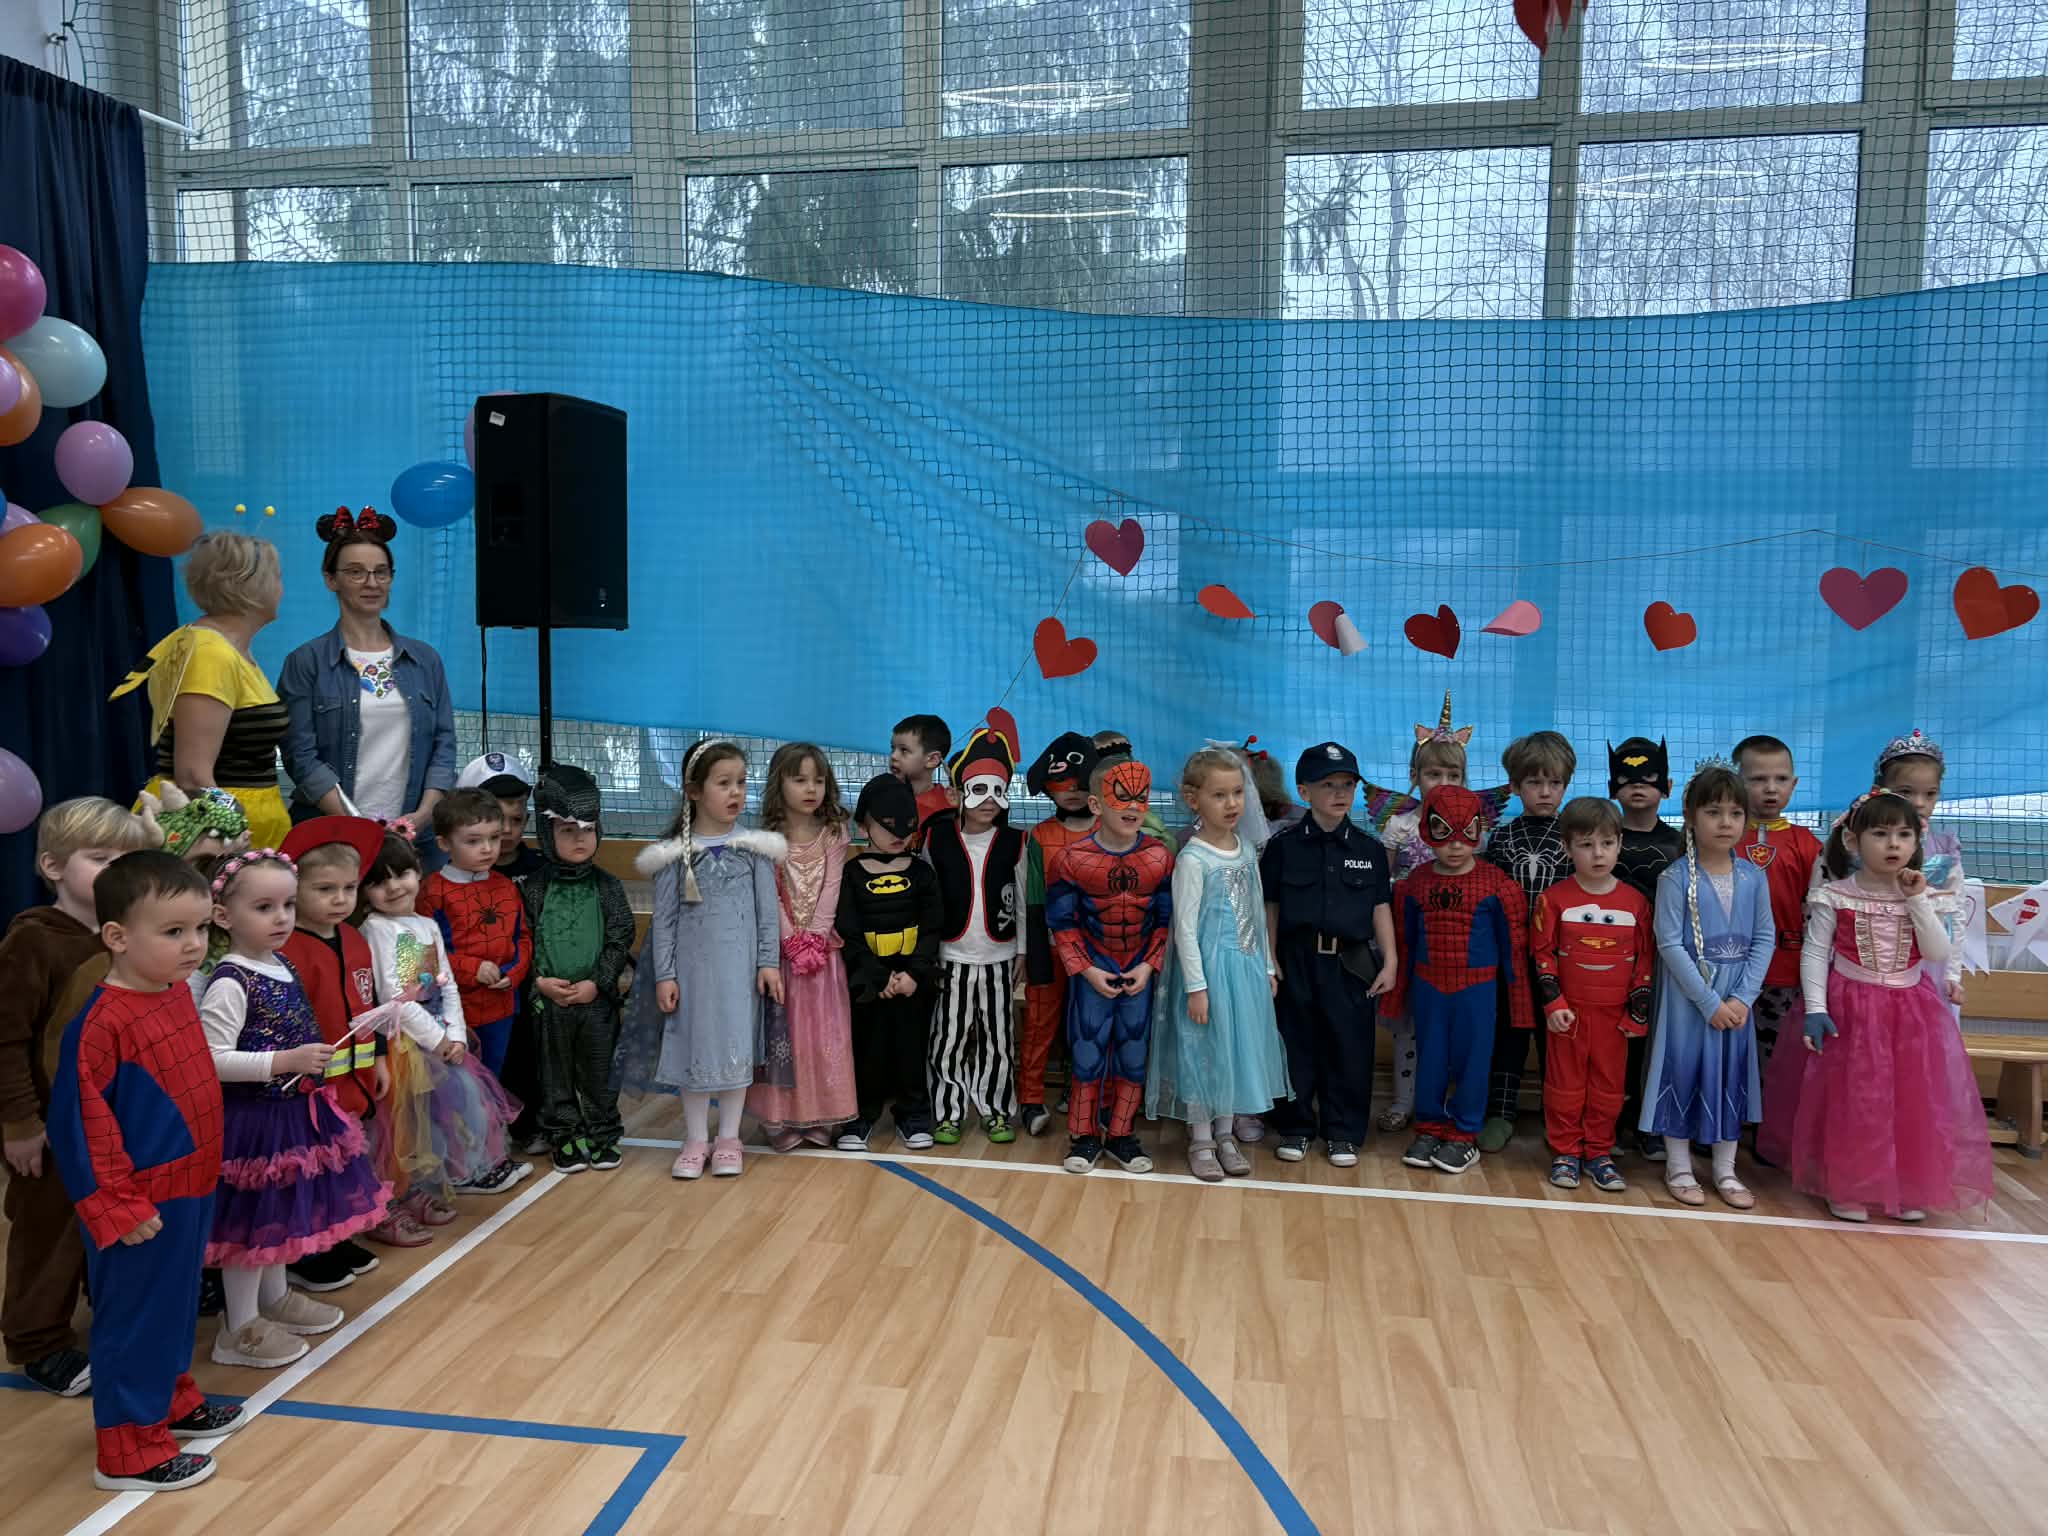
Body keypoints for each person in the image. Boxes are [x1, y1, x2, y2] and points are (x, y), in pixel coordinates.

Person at [47, 851, 246, 1491]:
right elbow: (82, 1129)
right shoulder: (101, 1025)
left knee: (175, 1307)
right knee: (134, 1320)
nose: (194, 945)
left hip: (189, 1188)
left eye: (200, 929)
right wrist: (117, 1206)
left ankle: (170, 1402)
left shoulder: (173, 993)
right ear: (117, 936)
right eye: (173, 932)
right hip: (141, 1205)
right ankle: (128, 1450)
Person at [197, 850, 391, 1368]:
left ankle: (274, 1297)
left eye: (286, 905)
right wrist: (284, 1061)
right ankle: (238, 1328)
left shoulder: (279, 963)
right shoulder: (231, 981)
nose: (281, 917)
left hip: (292, 1114)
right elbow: (211, 1059)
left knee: (278, 1216)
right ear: (223, 916)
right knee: (250, 1227)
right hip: (254, 1123)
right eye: (264, 907)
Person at [2, 799, 161, 1398]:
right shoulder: (33, 942)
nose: (116, 871)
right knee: (49, 1230)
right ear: (52, 866)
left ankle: (102, 1308)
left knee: (107, 1218)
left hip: (112, 1119)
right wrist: (20, 1124)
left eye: (126, 860)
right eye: (99, 859)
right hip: (48, 1124)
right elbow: (5, 1040)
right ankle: (37, 1340)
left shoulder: (125, 934)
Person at [1788, 790, 1993, 1223]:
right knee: (1856, 1099)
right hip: (1851, 1009)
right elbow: (1815, 952)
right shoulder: (1835, 895)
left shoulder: (1926, 895)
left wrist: (1916, 900)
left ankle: (1904, 1187)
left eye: (1903, 835)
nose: (1893, 844)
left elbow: (1936, 952)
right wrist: (1815, 1008)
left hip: (1910, 1011)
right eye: (1880, 834)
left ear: (1917, 842)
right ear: (1853, 841)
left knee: (1910, 1100)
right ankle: (1849, 1186)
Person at [619, 738, 785, 1181]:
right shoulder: (674, 854)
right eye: (723, 783)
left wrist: (768, 962)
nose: (736, 792)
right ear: (694, 791)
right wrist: (666, 974)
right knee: (691, 1051)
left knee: (736, 1050)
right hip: (692, 978)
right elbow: (665, 921)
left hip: (739, 977)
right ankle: (695, 1139)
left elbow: (768, 913)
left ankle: (728, 1138)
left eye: (741, 783)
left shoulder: (755, 849)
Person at [356, 832, 526, 1216]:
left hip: (439, 1039)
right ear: (364, 890)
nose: (394, 887)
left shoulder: (425, 925)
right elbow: (395, 998)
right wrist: (438, 1040)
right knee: (411, 1124)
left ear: (418, 871)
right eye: (379, 881)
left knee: (463, 1108)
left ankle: (456, 1176)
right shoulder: (377, 929)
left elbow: (445, 985)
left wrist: (456, 1034)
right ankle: (409, 1194)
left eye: (401, 874)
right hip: (406, 1045)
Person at [1148, 747, 1288, 1181]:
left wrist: (1267, 966)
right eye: (1219, 795)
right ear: (1194, 800)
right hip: (1209, 975)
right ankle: (1201, 1139)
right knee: (1203, 1055)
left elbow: (1256, 911)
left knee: (1234, 1054)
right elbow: (1185, 928)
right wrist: (1197, 987)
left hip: (1244, 971)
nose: (1232, 804)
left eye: (1238, 793)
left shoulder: (1245, 849)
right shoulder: (1193, 858)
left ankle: (1226, 1135)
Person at [1642, 760, 1775, 1211]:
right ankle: (1679, 1166)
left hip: (1736, 1000)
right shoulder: (1675, 878)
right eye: (1713, 812)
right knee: (1682, 1071)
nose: (1725, 822)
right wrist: (1709, 1001)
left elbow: (1765, 938)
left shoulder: (1753, 877)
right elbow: (1668, 943)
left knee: (1730, 1076)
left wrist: (1742, 998)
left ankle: (1725, 1169)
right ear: (1691, 815)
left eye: (1735, 813)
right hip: (1690, 1000)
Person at [277, 508, 456, 838]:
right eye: (355, 572)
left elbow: (444, 748)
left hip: (414, 837)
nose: (372, 583)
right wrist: (360, 827)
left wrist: (421, 817)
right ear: (331, 579)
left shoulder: (425, 660)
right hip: (332, 837)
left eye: (381, 572)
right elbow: (300, 757)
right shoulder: (305, 662)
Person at [1259, 742, 1396, 1167]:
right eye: (1328, 785)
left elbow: (1380, 907)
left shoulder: (1369, 850)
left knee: (1349, 1049)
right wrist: (1269, 958)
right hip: (1296, 960)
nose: (1340, 793)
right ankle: (1296, 1126)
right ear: (1304, 791)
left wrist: (1390, 961)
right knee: (1295, 1046)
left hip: (1349, 964)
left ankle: (1343, 1132)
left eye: (1347, 785)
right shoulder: (1283, 847)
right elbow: (1270, 907)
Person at [112, 531, 292, 850]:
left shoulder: (223, 647)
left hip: (239, 831)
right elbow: (193, 776)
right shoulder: (211, 653)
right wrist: (232, 835)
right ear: (250, 584)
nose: (282, 588)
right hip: (213, 837)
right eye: (277, 576)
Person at [1388, 785, 1533, 1175]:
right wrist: (1396, 997)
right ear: (1427, 831)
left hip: (1478, 991)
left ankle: (1465, 1132)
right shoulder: (1414, 884)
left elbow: (1514, 951)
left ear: (1478, 830)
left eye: (1465, 832)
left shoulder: (1498, 886)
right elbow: (1405, 942)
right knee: (1431, 1059)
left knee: (1474, 1062)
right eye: (1443, 832)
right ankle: (1429, 1126)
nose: (1455, 844)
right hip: (1429, 988)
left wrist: (1521, 1009)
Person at [275, 816, 389, 1289]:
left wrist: (378, 1057)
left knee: (344, 1165)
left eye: (349, 888)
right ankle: (306, 1251)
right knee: (312, 1168)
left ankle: (336, 1236)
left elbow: (369, 1004)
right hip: (310, 1092)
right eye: (325, 889)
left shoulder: (354, 938)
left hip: (354, 1084)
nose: (341, 899)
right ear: (294, 889)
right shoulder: (286, 950)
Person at [1047, 756, 1175, 1174]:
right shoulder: (1071, 858)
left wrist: (1149, 966)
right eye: (1122, 797)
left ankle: (1121, 1134)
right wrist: (1087, 970)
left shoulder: (1160, 856)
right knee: (1087, 1052)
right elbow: (1061, 922)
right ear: (1096, 804)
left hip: (1139, 967)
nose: (1133, 806)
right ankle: (1083, 1136)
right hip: (1093, 967)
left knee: (1134, 1053)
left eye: (1141, 797)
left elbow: (1166, 919)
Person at [1373, 695, 1488, 1134]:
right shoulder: (1400, 826)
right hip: (1409, 937)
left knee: (1449, 1027)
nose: (1443, 782)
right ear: (1413, 776)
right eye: (1433, 774)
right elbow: (1381, 887)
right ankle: (1404, 1100)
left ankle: (1444, 1103)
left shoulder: (1475, 831)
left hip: (1454, 943)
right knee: (1409, 1025)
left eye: (1453, 775)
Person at [1531, 798, 1653, 1193]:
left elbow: (1645, 961)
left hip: (1614, 1020)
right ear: (1567, 848)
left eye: (1606, 843)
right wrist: (1554, 1003)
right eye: (1586, 844)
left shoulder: (1637, 903)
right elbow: (1542, 953)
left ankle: (1600, 1152)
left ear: (1620, 844)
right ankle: (1565, 1152)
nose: (1598, 854)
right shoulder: (1552, 899)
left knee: (1609, 1087)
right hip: (1569, 1016)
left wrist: (1637, 1013)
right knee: (1564, 1085)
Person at [523, 765, 636, 1174]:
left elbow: (620, 937)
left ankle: (603, 1134)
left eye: (588, 829)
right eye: (568, 830)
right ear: (546, 832)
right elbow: (523, 938)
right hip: (549, 1002)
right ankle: (566, 1136)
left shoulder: (608, 886)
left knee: (599, 1070)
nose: (580, 839)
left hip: (596, 1001)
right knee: (554, 1073)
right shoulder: (534, 887)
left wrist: (598, 983)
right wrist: (539, 982)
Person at [746, 744, 856, 1150]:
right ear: (779, 784)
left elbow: (831, 888)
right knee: (784, 1038)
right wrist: (791, 940)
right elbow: (770, 897)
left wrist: (816, 938)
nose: (811, 788)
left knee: (821, 1038)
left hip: (822, 958)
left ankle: (819, 1115)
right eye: (800, 780)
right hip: (781, 959)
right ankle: (781, 1118)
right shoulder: (766, 840)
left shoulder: (834, 833)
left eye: (819, 780)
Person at [923, 725, 1027, 1148]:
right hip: (951, 956)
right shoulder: (936, 838)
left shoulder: (1016, 842)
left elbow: (1023, 902)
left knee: (998, 1041)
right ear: (957, 794)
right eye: (979, 789)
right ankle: (947, 1112)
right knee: (947, 1039)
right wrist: (928, 951)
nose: (989, 800)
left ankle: (996, 1108)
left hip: (999, 958)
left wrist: (1023, 951)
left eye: (997, 791)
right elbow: (927, 899)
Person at [834, 776, 944, 1152]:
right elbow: (847, 931)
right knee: (867, 1049)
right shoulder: (850, 875)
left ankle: (913, 1113)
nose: (899, 834)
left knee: (912, 1048)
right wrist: (876, 975)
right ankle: (860, 1115)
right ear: (864, 826)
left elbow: (932, 927)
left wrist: (914, 972)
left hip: (914, 981)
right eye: (888, 825)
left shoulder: (923, 873)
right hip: (869, 983)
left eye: (907, 824)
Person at [1479, 730, 1576, 1152]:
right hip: (1511, 960)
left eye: (1555, 783)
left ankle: (1560, 1117)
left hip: (1561, 962)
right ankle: (1500, 1113)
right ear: (1515, 786)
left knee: (1558, 1042)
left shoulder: (1575, 837)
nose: (1546, 792)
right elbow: (1489, 899)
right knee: (1508, 1037)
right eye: (1535, 782)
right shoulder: (1502, 838)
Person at [456, 751, 544, 1148]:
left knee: (525, 1054)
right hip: (471, 996)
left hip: (523, 988)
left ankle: (528, 1125)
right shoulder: (447, 883)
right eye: (494, 821)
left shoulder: (538, 868)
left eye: (516, 819)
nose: (506, 831)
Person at [1018, 731, 1098, 1138]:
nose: (1071, 792)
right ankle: (1030, 1098)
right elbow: (1030, 899)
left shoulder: (1110, 832)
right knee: (1039, 1023)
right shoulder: (1038, 837)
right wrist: (1031, 952)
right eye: (1061, 783)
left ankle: (1082, 1093)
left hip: (1098, 953)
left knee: (1090, 1025)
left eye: (1080, 784)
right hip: (1048, 950)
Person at [417, 789, 530, 1078]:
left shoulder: (506, 887)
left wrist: (513, 974)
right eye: (473, 841)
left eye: (494, 837)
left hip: (501, 1007)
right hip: (453, 1011)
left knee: (491, 1078)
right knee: (455, 1084)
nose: (487, 848)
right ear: (444, 843)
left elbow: (522, 938)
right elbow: (423, 956)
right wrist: (472, 969)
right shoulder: (432, 891)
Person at [1608, 736, 1682, 1160]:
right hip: (1605, 960)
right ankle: (1610, 1123)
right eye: (1627, 778)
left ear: (1667, 786)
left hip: (1661, 963)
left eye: (1649, 777)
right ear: (1612, 786)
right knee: (1615, 1044)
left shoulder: (1680, 844)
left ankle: (1650, 1122)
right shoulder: (1600, 840)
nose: (1638, 785)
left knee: (1656, 1044)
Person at [1732, 734, 1823, 1064]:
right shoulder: (1723, 837)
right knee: (1729, 1056)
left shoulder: (1807, 843)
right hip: (1729, 971)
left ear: (1794, 784)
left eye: (1781, 779)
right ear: (1737, 783)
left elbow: (1820, 913)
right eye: (1758, 779)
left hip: (1785, 972)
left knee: (1776, 1062)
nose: (1771, 788)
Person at [890, 714, 954, 838]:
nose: (893, 756)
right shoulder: (882, 799)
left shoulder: (947, 808)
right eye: (893, 748)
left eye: (904, 750)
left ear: (932, 760)